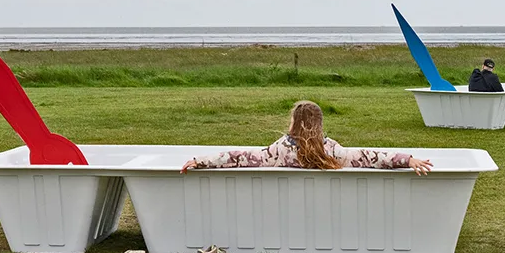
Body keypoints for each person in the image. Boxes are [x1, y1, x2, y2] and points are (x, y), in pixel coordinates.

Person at [180, 100, 433, 175]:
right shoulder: (330, 152)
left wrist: (202, 161)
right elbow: (371, 157)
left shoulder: (279, 151)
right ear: (319, 126)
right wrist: (407, 159)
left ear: (293, 124)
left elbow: (239, 157)